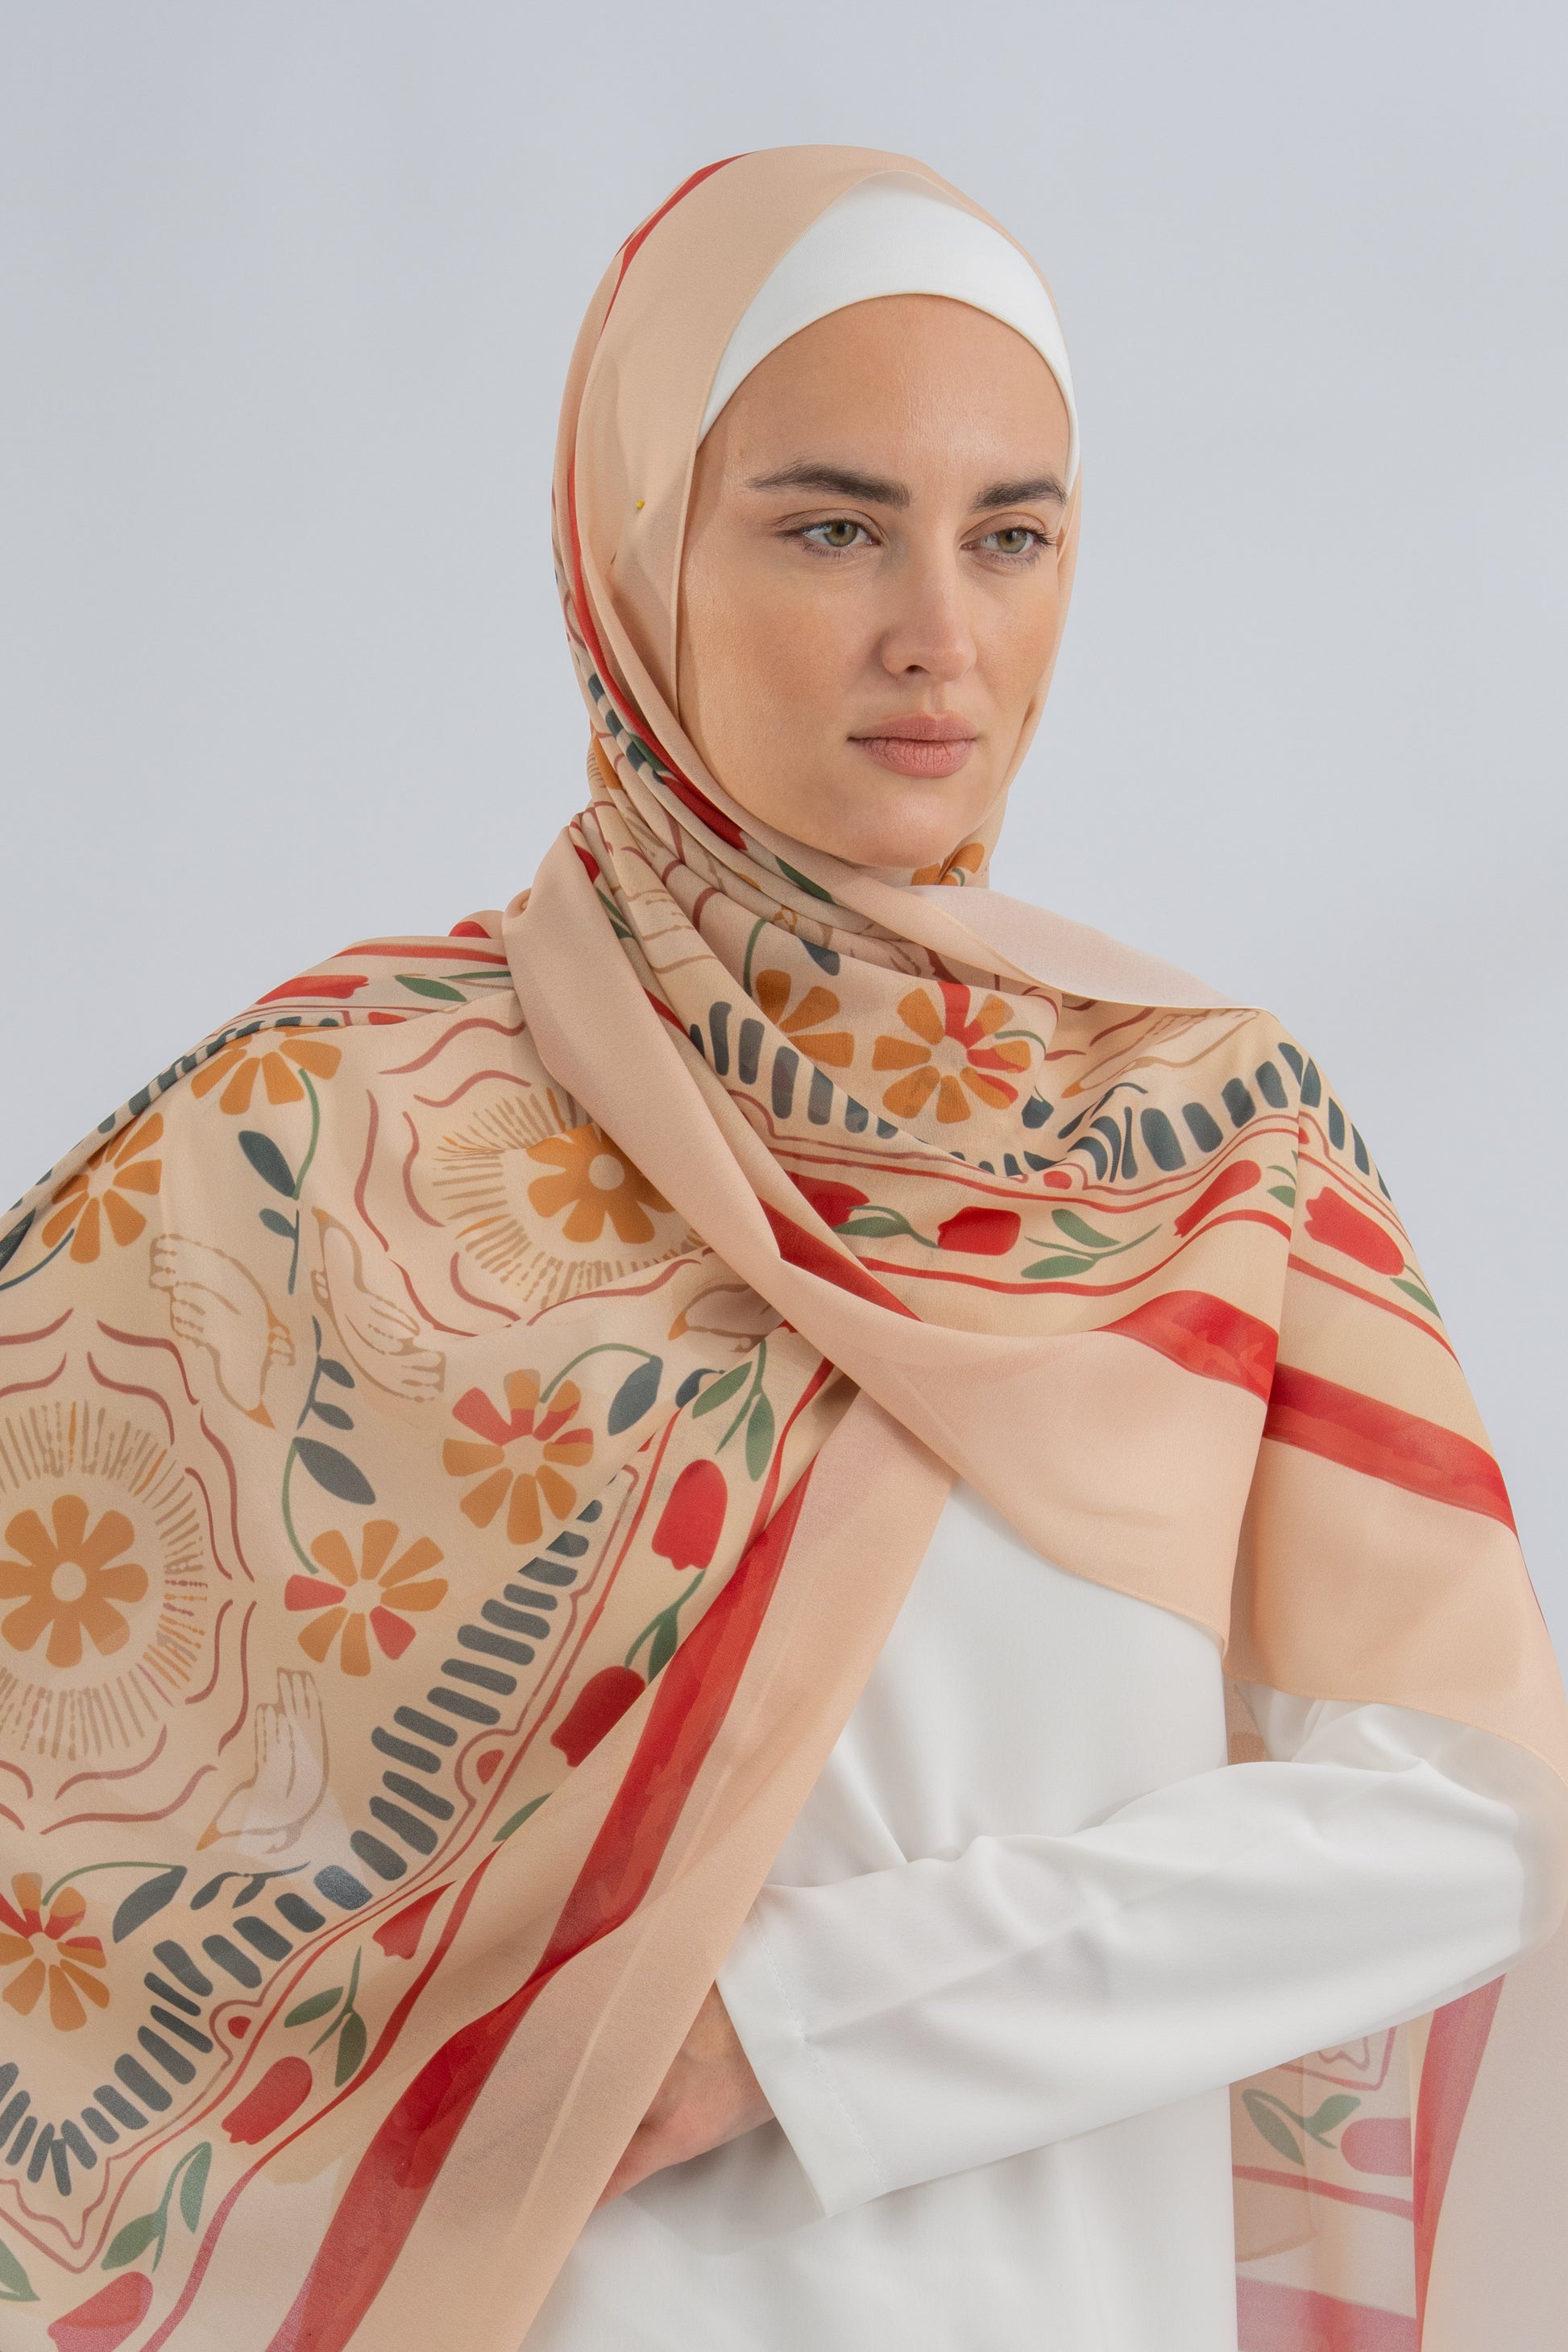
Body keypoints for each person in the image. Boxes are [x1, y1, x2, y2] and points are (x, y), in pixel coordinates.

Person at [0, 145, 1563, 2352]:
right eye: (832, 527)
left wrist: (795, 2027)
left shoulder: (1213, 1145)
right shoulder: (329, 1130)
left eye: (1009, 535)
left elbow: (1473, 1811)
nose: (940, 633)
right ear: (638, 550)